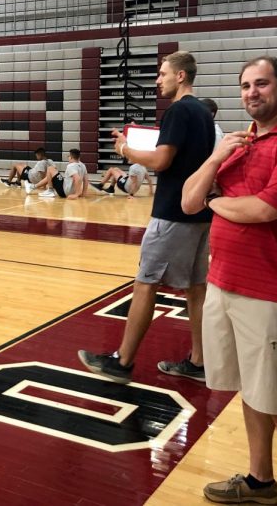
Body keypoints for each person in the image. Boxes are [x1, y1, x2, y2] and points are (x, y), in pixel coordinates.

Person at [181, 56, 277, 505]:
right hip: (223, 283)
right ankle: (260, 482)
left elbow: (264, 210)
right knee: (251, 390)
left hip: (269, 291)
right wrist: (216, 160)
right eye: (245, 85)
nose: (251, 93)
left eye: (262, 84)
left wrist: (215, 200)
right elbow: (189, 202)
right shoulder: (238, 144)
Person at [78, 51, 214, 384]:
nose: (158, 80)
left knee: (145, 283)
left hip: (171, 215)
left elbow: (161, 160)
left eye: (162, 73)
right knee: (197, 289)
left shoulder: (179, 110)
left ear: (180, 76)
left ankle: (121, 361)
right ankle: (199, 361)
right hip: (199, 212)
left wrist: (124, 149)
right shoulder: (204, 113)